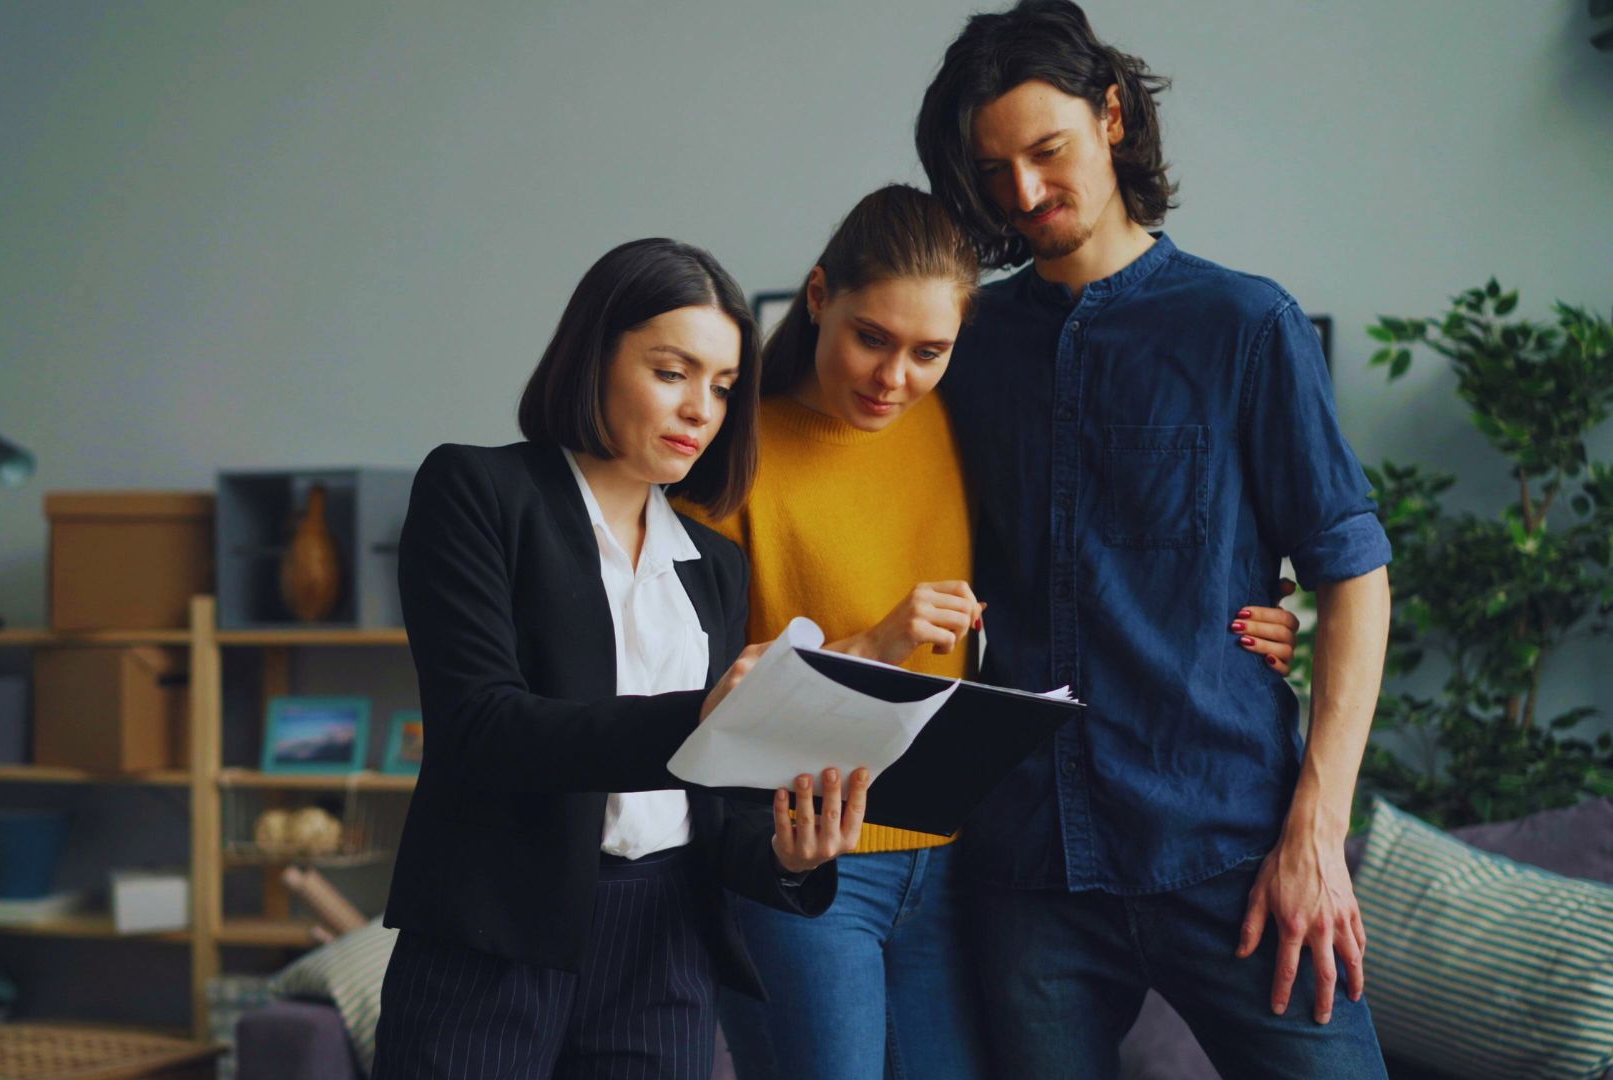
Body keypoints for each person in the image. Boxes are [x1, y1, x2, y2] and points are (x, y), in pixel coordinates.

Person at [685, 185, 1307, 1079]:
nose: (892, 378)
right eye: (871, 338)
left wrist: (1256, 612)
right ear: (818, 296)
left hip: (947, 862)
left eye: (928, 351)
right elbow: (701, 706)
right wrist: (873, 644)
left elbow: (1086, 546)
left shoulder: (952, 422)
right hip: (803, 856)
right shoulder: (732, 458)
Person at [915, 2, 1394, 1076]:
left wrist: (1316, 832)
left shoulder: (1245, 327)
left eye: (1048, 152)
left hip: (1226, 844)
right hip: (1030, 862)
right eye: (995, 172)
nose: (1026, 195)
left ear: (1114, 115)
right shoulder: (970, 347)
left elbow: (1352, 571)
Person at [373, 237, 871, 1080]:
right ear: (594, 356)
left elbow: (720, 811)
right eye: (672, 372)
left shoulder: (714, 564)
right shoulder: (476, 493)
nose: (700, 411)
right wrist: (704, 715)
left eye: (720, 387)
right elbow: (481, 726)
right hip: (499, 933)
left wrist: (790, 855)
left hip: (667, 943)